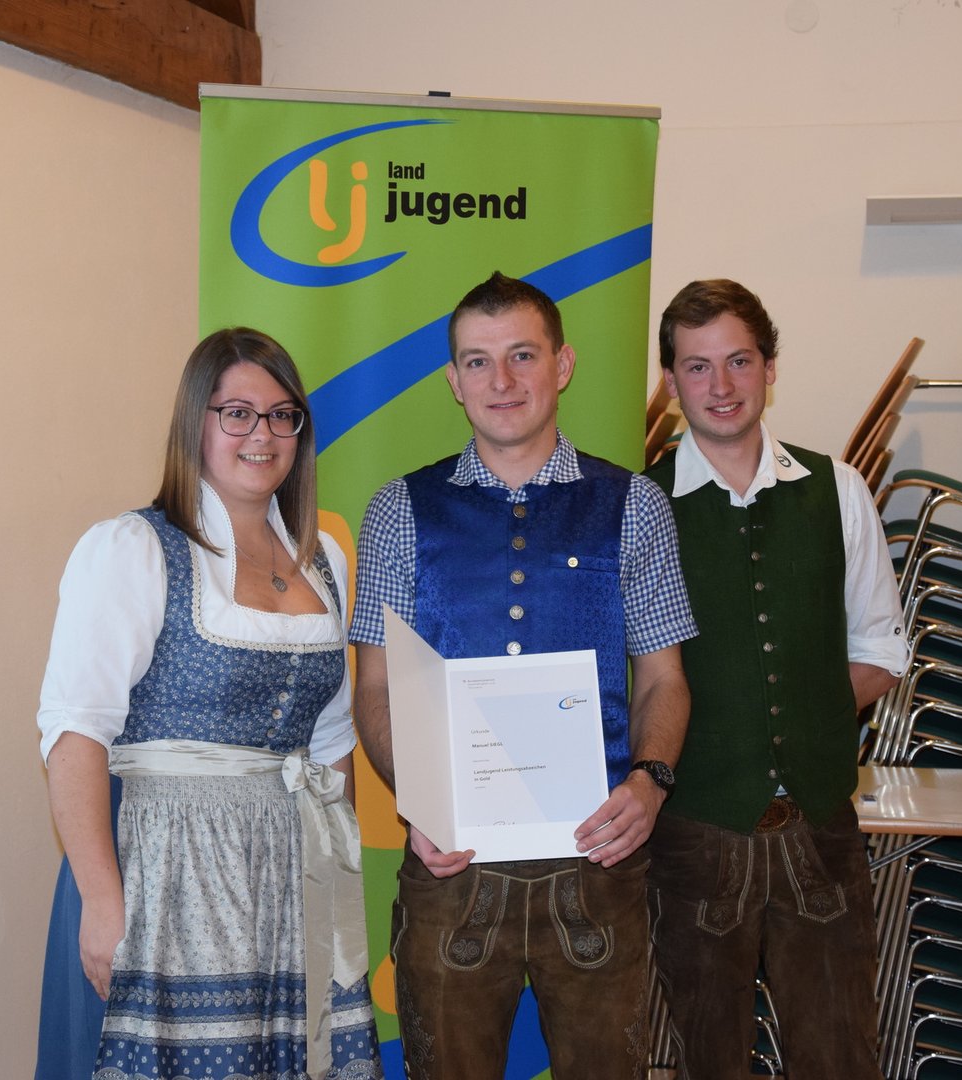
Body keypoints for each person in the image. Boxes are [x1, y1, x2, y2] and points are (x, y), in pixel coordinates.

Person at [349, 271, 696, 1079]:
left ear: (562, 365)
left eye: (522, 355)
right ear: (454, 380)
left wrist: (649, 783)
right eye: (478, 361)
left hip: (598, 864)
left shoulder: (635, 504)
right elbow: (375, 686)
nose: (500, 380)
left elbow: (664, 677)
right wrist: (421, 797)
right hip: (454, 866)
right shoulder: (399, 510)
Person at [33, 328, 382, 1080]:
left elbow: (330, 746)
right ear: (196, 422)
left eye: (282, 415)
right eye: (237, 413)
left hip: (292, 876)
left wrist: (333, 894)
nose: (263, 434)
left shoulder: (325, 561)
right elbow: (75, 734)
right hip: (167, 870)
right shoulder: (134, 549)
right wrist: (102, 902)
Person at [644, 279, 907, 1079]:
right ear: (672, 380)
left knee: (840, 1053)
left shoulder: (839, 489)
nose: (720, 385)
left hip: (820, 830)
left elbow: (881, 650)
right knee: (705, 1059)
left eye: (739, 361)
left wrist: (797, 725)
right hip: (693, 834)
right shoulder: (640, 504)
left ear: (770, 367)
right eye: (697, 367)